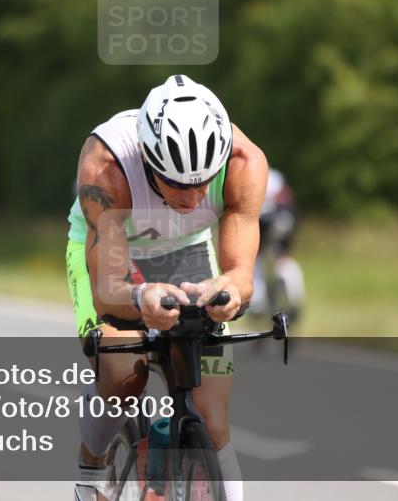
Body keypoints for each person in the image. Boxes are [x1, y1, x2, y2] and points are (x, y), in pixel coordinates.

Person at [66, 74, 268, 501]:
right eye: (178, 184)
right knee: (120, 373)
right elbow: (108, 288)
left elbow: (240, 274)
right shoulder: (106, 166)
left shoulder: (244, 163)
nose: (195, 199)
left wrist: (230, 289)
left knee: (212, 422)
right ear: (149, 160)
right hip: (113, 255)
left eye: (203, 182)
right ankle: (92, 465)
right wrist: (140, 298)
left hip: (188, 252)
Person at [250, 168, 305, 317]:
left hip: (265, 219)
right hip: (286, 217)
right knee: (283, 257)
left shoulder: (250, 171)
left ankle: (257, 301)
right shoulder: (276, 175)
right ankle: (293, 294)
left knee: (255, 258)